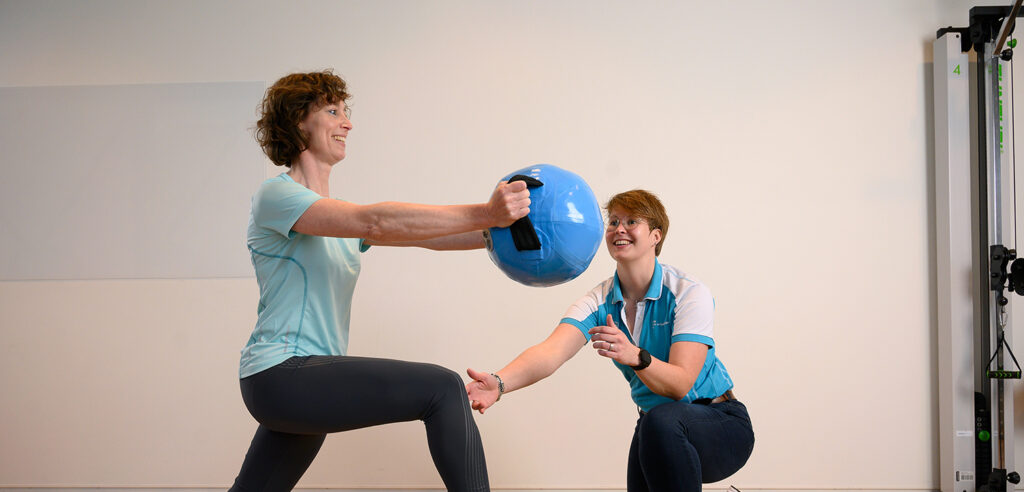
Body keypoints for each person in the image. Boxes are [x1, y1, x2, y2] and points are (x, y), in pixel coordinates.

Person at [230, 69, 530, 492]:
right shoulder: (277, 196)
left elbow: (425, 236)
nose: (347, 123)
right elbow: (375, 220)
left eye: (345, 112)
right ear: (299, 121)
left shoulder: (335, 216)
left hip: (300, 381)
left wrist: (508, 234)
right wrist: (487, 211)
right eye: (333, 111)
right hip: (283, 374)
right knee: (442, 387)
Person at [466, 189, 754, 492]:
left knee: (661, 422)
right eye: (613, 221)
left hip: (720, 424)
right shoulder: (599, 301)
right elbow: (550, 352)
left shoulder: (688, 293)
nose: (619, 228)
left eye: (631, 221)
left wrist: (636, 356)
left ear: (656, 236)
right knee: (655, 425)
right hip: (658, 429)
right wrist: (499, 383)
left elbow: (680, 384)